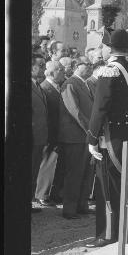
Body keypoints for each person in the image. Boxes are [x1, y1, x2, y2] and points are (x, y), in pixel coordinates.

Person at [86, 28, 128, 248]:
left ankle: (108, 234)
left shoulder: (109, 71)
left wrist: (92, 138)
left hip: (110, 137)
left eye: (101, 46)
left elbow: (99, 109)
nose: (100, 49)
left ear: (109, 48)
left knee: (107, 188)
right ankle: (124, 229)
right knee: (124, 185)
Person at [58, 56, 94, 219]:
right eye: (87, 64)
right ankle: (69, 209)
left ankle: (81, 205)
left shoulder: (84, 84)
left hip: (84, 136)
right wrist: (91, 129)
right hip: (75, 136)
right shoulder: (70, 84)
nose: (90, 67)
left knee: (86, 172)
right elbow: (75, 111)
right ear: (75, 66)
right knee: (74, 173)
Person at [35, 60, 66, 206]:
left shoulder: (57, 87)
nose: (63, 72)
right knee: (47, 163)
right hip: (50, 132)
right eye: (61, 69)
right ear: (52, 72)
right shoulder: (45, 88)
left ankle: (52, 193)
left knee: (55, 164)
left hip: (58, 131)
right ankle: (42, 194)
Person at [31, 54, 47, 213]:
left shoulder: (37, 85)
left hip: (39, 137)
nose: (43, 68)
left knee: (34, 170)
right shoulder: (26, 86)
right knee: (29, 171)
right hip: (31, 138)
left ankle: (29, 202)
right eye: (40, 65)